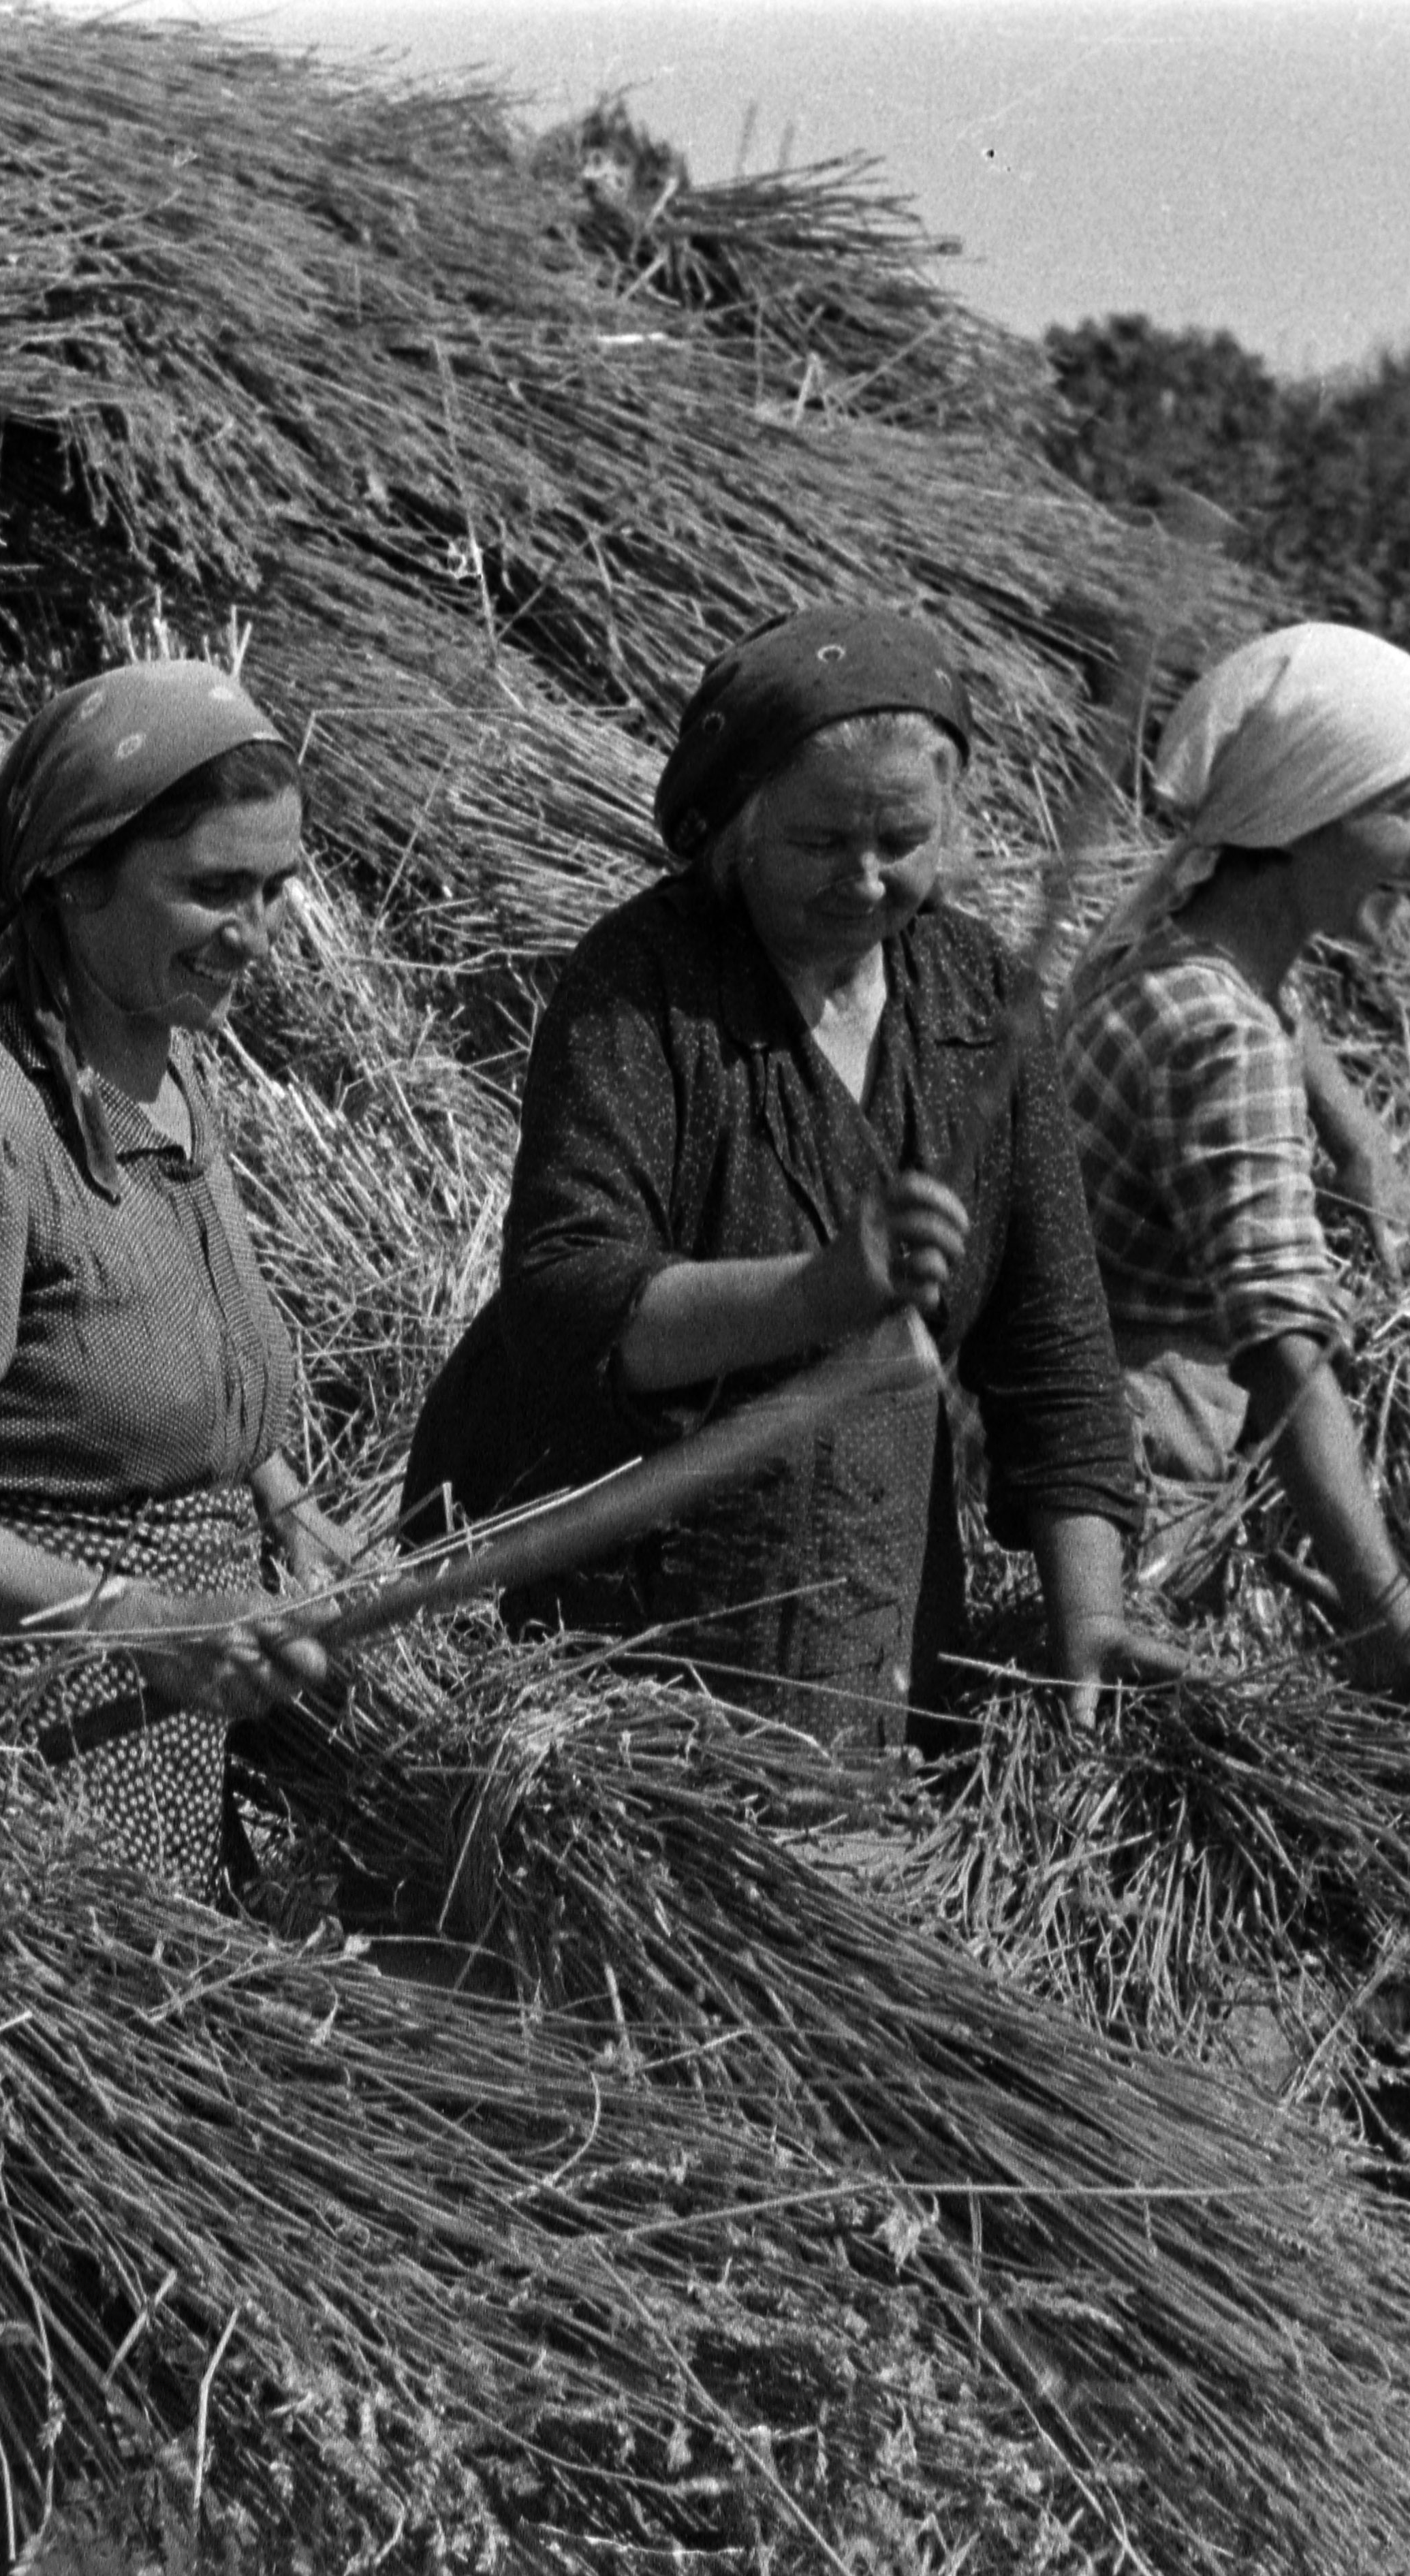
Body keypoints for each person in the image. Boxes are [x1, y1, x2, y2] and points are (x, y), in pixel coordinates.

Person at [404, 604, 1151, 1747]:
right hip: (628, 1645)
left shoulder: (975, 1000)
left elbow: (1054, 1347)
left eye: (901, 840)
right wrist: (813, 1293)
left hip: (876, 1624)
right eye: (818, 843)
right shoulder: (641, 991)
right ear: (738, 831)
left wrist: (1088, 1611)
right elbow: (566, 1295)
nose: (863, 881)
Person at [0, 657, 345, 1893]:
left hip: (170, 1717)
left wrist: (282, 1501)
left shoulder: (168, 1073)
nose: (257, 937)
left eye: (279, 889)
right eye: (214, 889)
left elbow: (150, 1341)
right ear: (75, 875)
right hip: (26, 1747)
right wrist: (122, 1616)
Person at [1059, 621, 1410, 1701]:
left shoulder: (1170, 947)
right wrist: (1385, 1601)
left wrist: (1360, 1143)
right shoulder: (1222, 1038)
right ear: (1298, 820)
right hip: (1136, 1490)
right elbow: (1286, 1358)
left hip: (1063, 1444)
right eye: (1406, 806)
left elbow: (1282, 1024)